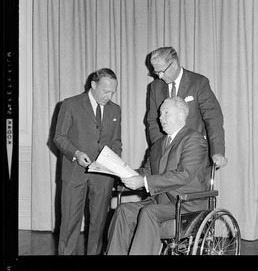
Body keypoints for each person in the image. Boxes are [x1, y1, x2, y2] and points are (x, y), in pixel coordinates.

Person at [106, 97, 210, 255]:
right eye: (160, 114)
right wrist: (123, 174)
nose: (160, 118)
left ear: (181, 115)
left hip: (186, 203)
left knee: (149, 212)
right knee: (123, 210)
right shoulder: (157, 145)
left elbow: (184, 175)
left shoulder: (194, 139)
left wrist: (144, 181)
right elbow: (147, 172)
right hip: (159, 201)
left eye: (166, 113)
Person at [54, 68, 122, 255]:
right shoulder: (70, 104)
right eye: (105, 91)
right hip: (75, 172)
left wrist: (114, 162)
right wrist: (76, 153)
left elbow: (116, 142)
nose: (109, 96)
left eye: (112, 92)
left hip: (103, 175)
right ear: (93, 85)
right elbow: (59, 137)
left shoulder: (115, 109)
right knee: (69, 222)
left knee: (98, 223)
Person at [148, 46, 227, 168]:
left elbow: (213, 117)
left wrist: (217, 151)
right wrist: (161, 151)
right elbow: (152, 121)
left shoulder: (199, 82)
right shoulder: (155, 87)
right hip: (166, 159)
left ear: (174, 64)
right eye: (156, 72)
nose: (159, 76)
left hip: (195, 155)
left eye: (162, 71)